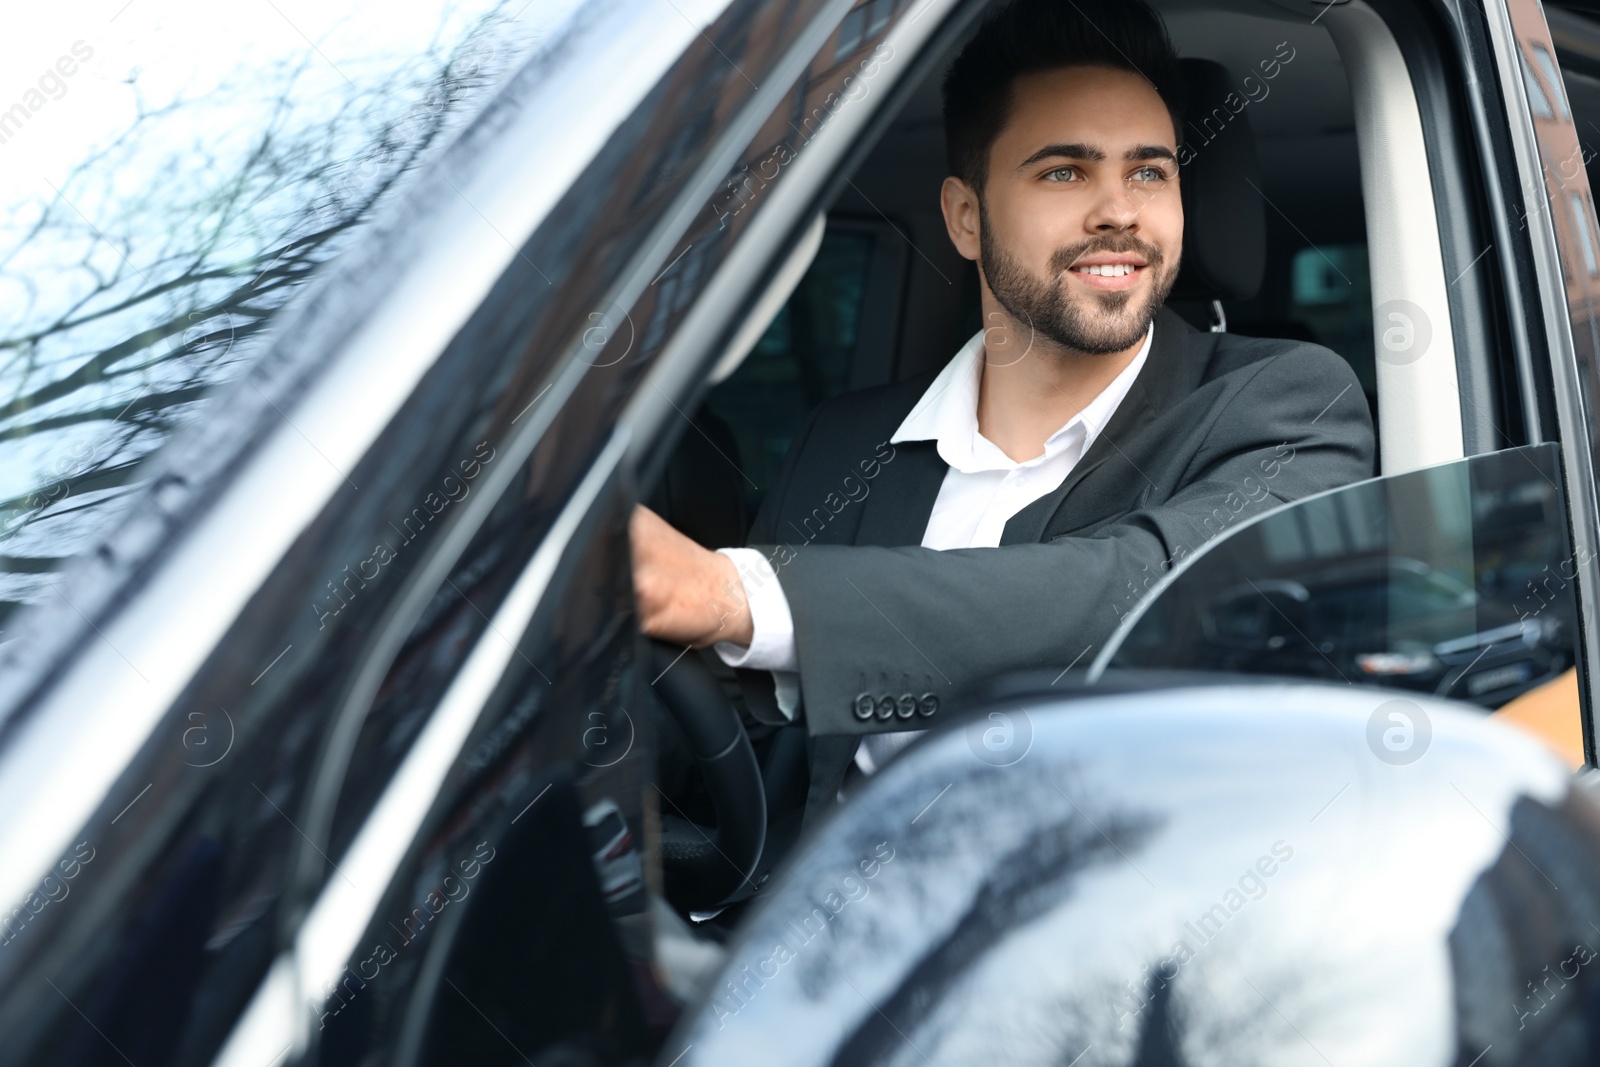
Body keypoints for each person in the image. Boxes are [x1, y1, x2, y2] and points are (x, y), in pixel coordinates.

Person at [630, 0, 1375, 818]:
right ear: (964, 217)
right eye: (1065, 171)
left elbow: (1149, 591)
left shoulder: (1289, 403)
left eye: (1150, 171)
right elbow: (737, 729)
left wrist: (726, 593)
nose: (1120, 211)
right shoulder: (839, 446)